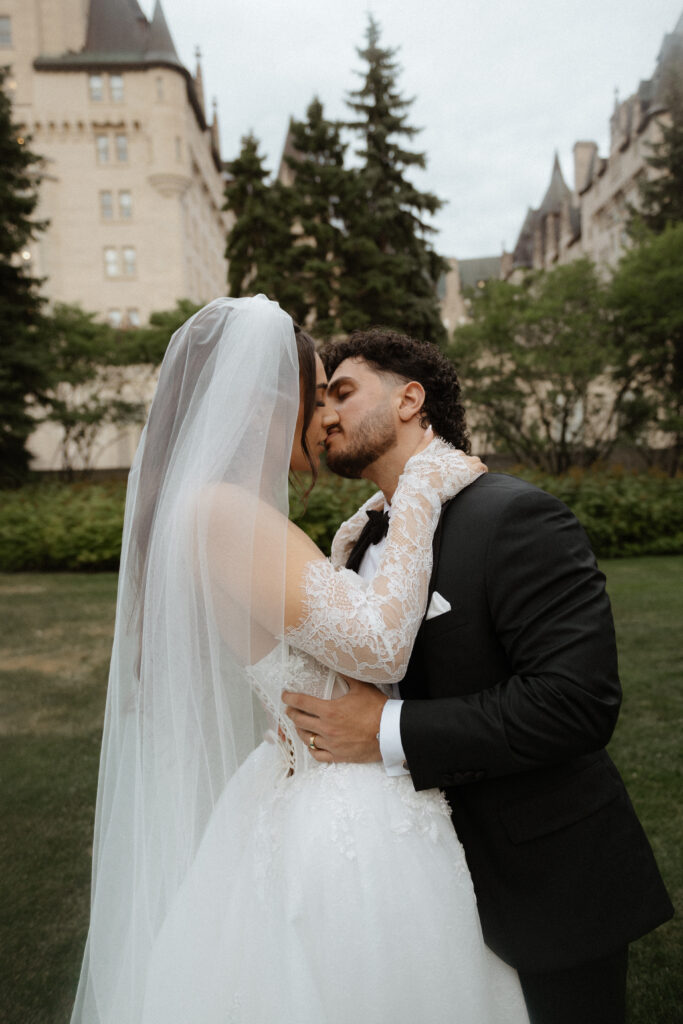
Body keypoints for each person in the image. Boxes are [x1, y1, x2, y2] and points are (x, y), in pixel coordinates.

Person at [70, 296, 531, 1024]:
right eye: (315, 397)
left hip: (310, 779)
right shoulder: (223, 510)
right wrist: (419, 490)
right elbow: (379, 644)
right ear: (263, 405)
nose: (323, 418)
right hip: (342, 811)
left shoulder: (216, 508)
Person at [283, 327, 674, 1024]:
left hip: (540, 878)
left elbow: (573, 703)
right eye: (318, 400)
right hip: (410, 878)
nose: (324, 415)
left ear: (410, 399)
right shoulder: (359, 537)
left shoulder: (512, 515)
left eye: (341, 392)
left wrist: (385, 730)